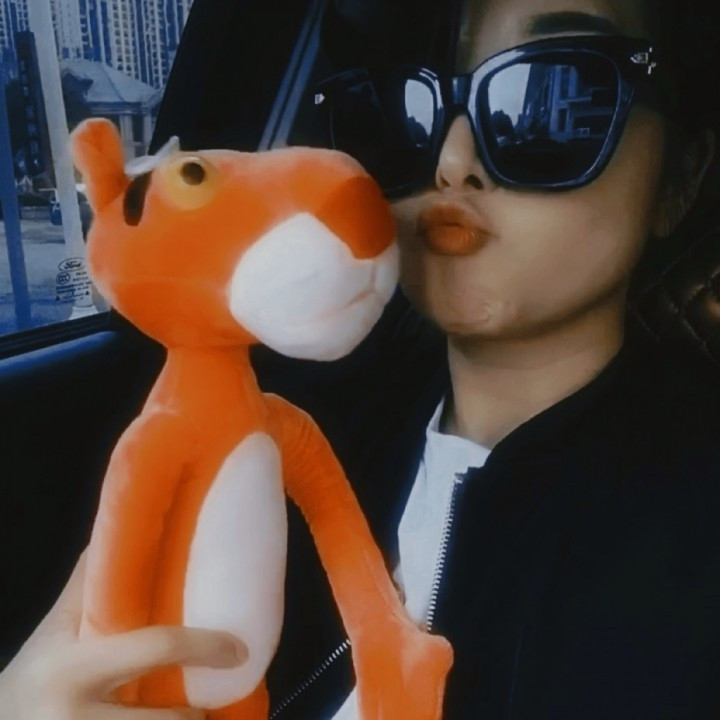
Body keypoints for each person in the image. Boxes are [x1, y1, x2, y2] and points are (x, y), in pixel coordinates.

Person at [2, 0, 720, 718]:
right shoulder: (284, 420)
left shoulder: (693, 522)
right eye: (405, 110)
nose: (452, 161)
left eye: (549, 96)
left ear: (681, 178)